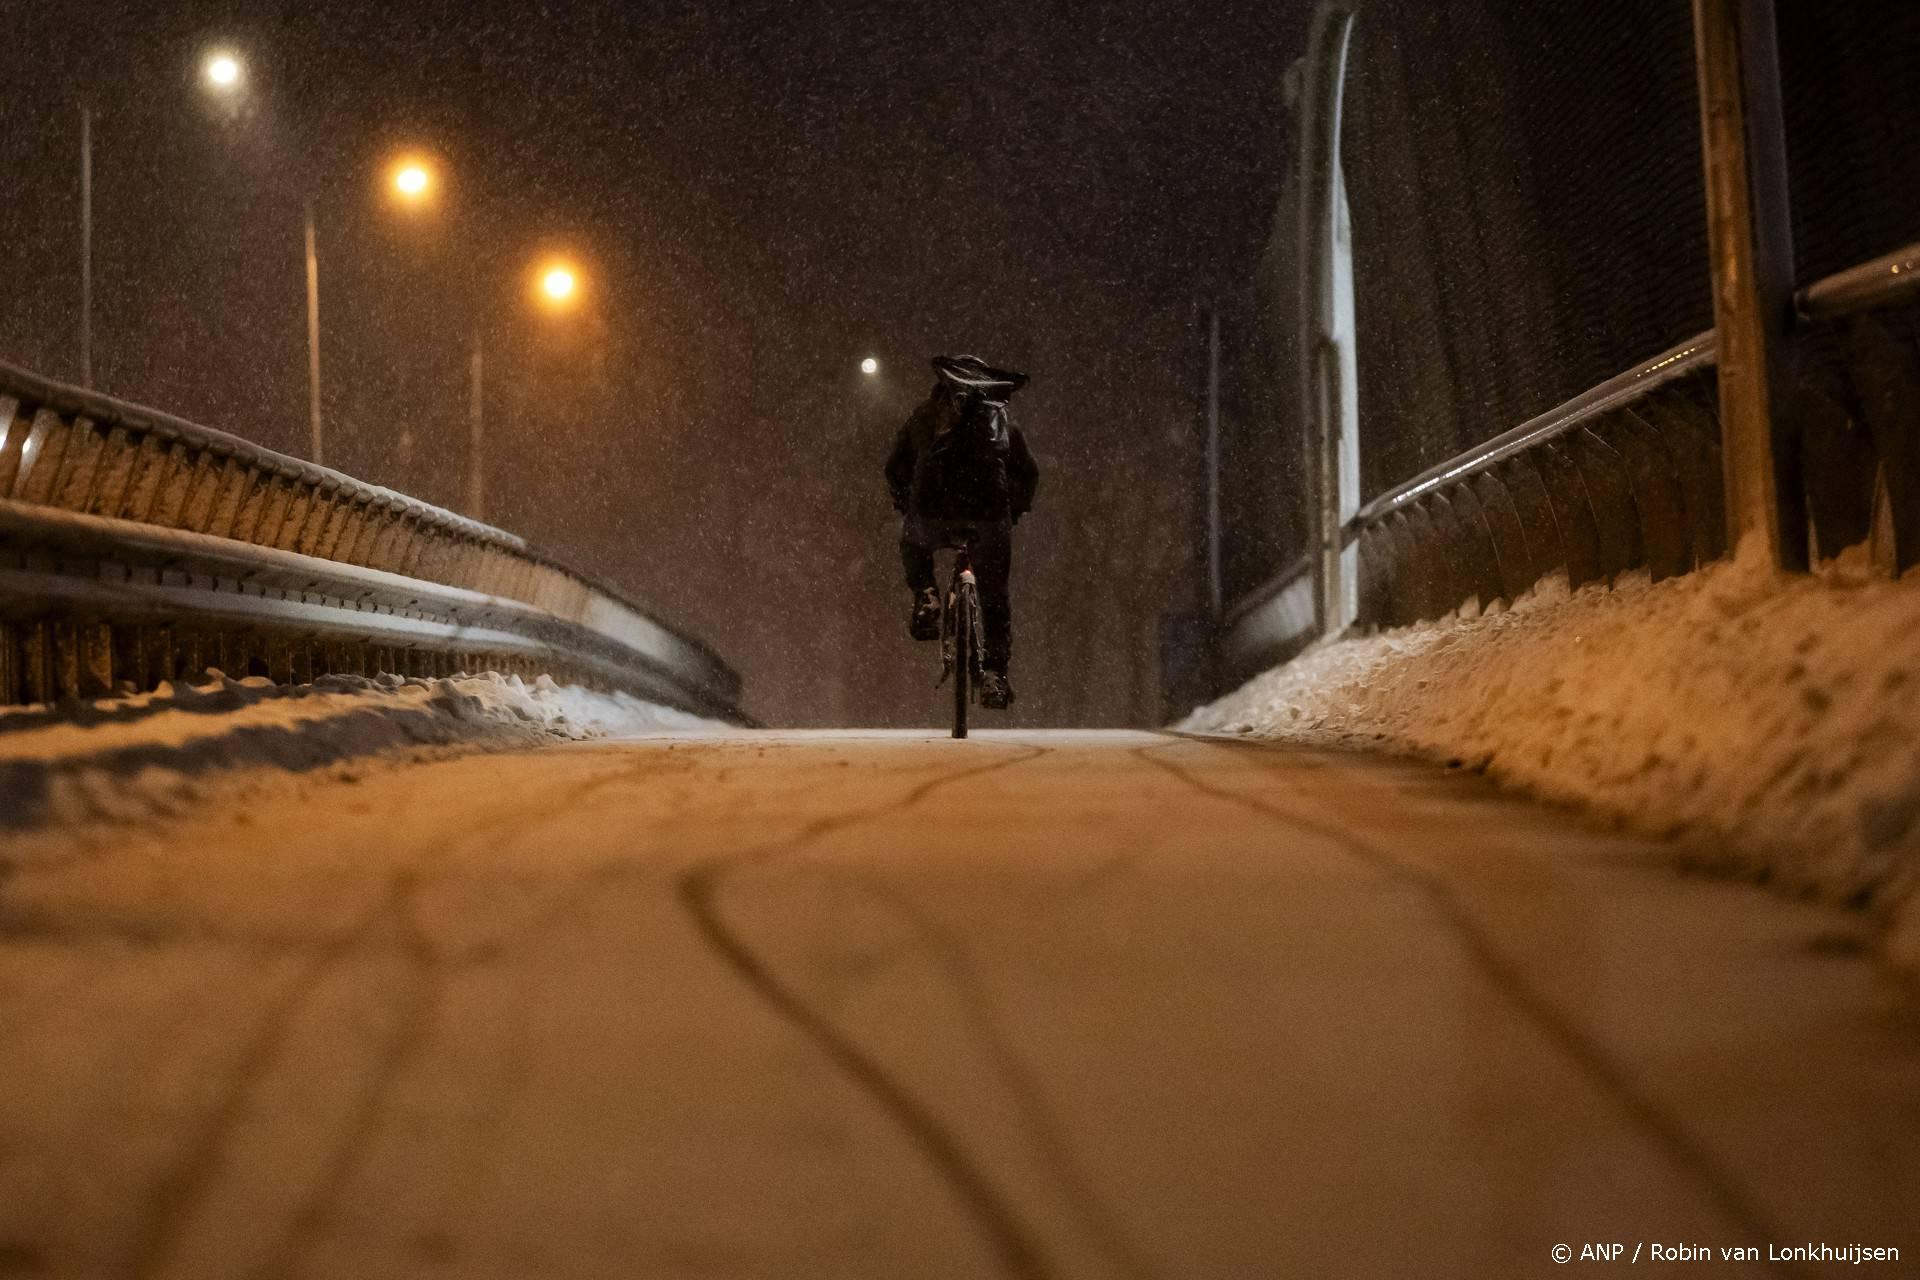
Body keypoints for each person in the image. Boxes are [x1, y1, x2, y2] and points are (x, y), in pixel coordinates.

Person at [885, 354, 1039, 710]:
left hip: (933, 513)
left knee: (913, 541)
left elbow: (894, 467)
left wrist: (906, 503)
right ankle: (995, 676)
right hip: (989, 517)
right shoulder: (1002, 419)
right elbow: (1028, 472)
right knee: (995, 599)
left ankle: (926, 594)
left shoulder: (924, 415)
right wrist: (1012, 512)